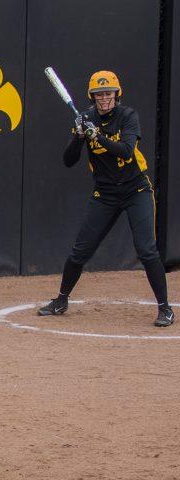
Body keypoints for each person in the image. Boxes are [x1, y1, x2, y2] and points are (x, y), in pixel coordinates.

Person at [39, 70, 173, 327]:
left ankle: (164, 308)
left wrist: (96, 136)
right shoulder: (86, 118)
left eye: (108, 93)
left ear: (116, 94)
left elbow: (125, 149)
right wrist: (78, 137)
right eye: (99, 94)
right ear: (92, 96)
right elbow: (68, 161)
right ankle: (61, 300)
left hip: (136, 189)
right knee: (80, 252)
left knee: (146, 250)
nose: (104, 98)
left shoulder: (128, 116)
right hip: (105, 194)